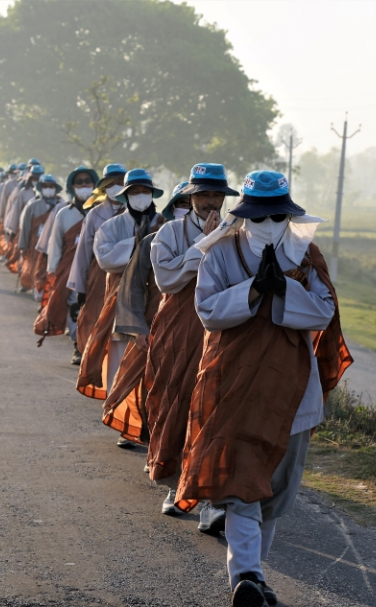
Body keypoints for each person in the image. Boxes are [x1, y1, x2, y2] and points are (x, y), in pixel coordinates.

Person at [175, 170, 352, 607]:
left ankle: (256, 577)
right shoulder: (220, 252)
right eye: (259, 216)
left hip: (292, 391)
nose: (268, 224)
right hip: (232, 386)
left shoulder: (306, 255)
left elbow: (324, 313)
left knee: (274, 492)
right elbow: (207, 311)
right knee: (241, 487)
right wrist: (252, 292)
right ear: (244, 215)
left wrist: (284, 289)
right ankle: (246, 575)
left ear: (288, 215)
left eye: (277, 216)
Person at [146, 164, 235, 530]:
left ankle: (214, 497)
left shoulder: (236, 232)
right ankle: (177, 485)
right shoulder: (170, 232)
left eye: (216, 195)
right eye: (203, 195)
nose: (210, 202)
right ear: (190, 197)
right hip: (180, 329)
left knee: (216, 407)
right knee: (177, 401)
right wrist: (205, 245)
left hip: (222, 327)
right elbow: (166, 280)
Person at [79, 169, 164, 446]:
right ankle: (123, 422)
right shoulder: (111, 226)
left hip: (157, 303)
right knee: (121, 364)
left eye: (145, 191)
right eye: (134, 192)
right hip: (122, 302)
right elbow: (105, 259)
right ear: (126, 196)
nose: (140, 196)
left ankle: (150, 423)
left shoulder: (165, 225)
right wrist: (139, 244)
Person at [33, 166, 99, 358]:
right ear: (72, 187)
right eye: (79, 182)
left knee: (94, 305)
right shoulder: (63, 213)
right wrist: (53, 271)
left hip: (96, 267)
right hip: (69, 269)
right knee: (74, 304)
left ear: (94, 185)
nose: (84, 185)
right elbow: (55, 244)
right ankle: (78, 345)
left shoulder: (101, 212)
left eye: (87, 181)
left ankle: (90, 345)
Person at [67, 163, 127, 365]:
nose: (116, 187)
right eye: (112, 183)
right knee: (93, 316)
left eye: (121, 182)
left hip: (128, 275)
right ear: (104, 187)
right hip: (98, 275)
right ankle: (84, 352)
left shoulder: (135, 212)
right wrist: (80, 287)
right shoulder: (94, 214)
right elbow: (83, 253)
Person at [16, 173, 62, 297]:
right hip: (35, 243)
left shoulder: (61, 205)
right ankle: (35, 288)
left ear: (55, 188)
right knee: (35, 266)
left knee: (50, 267)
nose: (48, 188)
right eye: (45, 186)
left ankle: (46, 291)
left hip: (54, 243)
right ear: (41, 188)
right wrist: (23, 246)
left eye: (51, 186)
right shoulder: (32, 205)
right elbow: (26, 227)